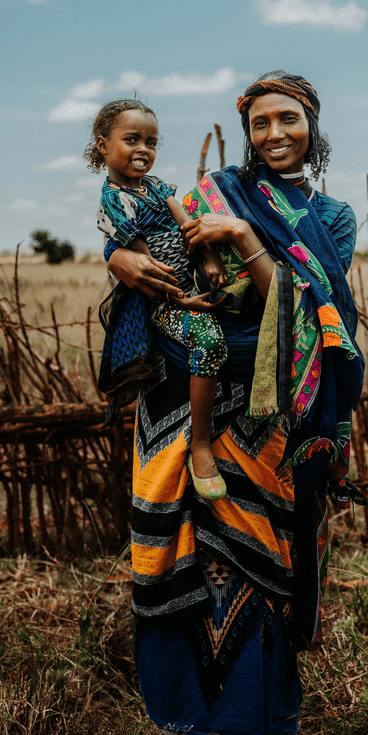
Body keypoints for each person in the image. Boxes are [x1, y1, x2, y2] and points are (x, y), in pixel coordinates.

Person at [105, 72, 363, 735]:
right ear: (244, 132)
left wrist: (247, 236)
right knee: (173, 572)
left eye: (289, 120)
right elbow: (144, 246)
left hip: (265, 413)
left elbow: (311, 311)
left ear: (313, 124)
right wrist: (116, 258)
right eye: (259, 124)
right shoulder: (204, 194)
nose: (275, 135)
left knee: (265, 576)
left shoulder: (332, 218)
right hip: (177, 406)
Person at [89, 99, 230, 499]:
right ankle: (201, 443)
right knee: (208, 339)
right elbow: (145, 266)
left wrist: (209, 255)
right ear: (103, 145)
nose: (143, 150)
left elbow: (188, 224)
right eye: (131, 139)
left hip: (191, 273)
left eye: (151, 142)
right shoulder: (113, 202)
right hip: (164, 297)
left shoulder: (155, 186)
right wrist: (183, 300)